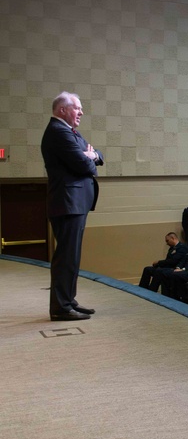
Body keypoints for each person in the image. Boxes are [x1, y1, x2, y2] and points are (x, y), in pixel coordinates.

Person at [41, 92, 105, 320]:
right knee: (66, 257)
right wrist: (88, 157)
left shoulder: (69, 133)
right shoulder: (58, 132)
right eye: (77, 108)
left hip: (74, 204)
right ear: (62, 110)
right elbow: (83, 164)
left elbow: (98, 155)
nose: (81, 112)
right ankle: (61, 308)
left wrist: (91, 154)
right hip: (68, 203)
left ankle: (68, 302)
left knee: (72, 257)